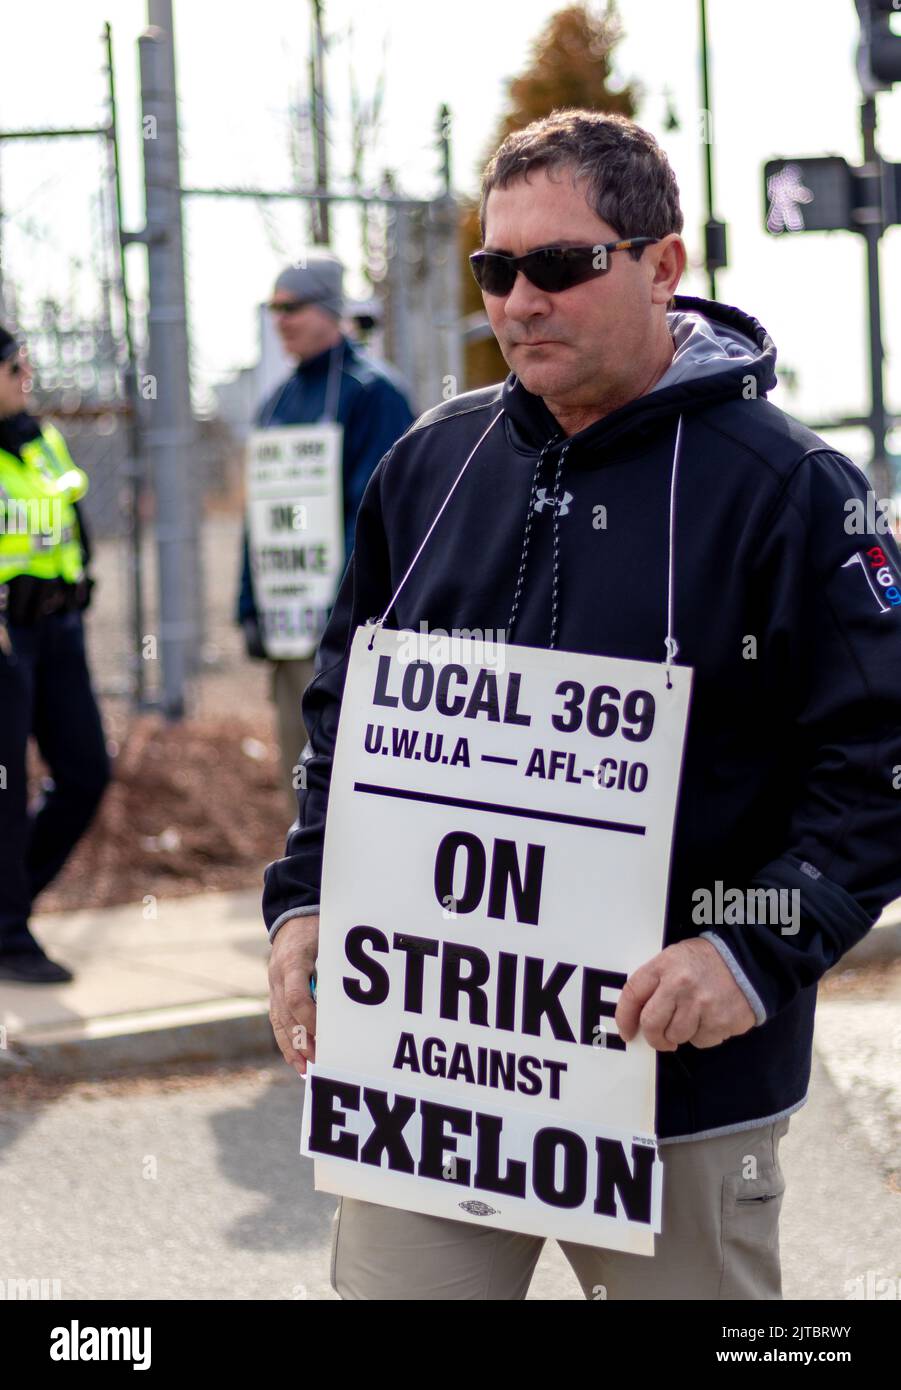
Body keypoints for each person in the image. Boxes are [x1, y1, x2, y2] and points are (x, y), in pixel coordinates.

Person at [263, 111, 901, 1299]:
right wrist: (302, 900)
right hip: (434, 1087)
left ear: (662, 265)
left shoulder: (794, 490)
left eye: (560, 264)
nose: (520, 300)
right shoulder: (424, 465)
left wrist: (748, 950)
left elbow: (877, 769)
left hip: (682, 1092)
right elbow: (344, 710)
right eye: (495, 269)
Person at [236, 251, 413, 814]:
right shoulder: (275, 404)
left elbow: (381, 510)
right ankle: (309, 892)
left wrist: (359, 608)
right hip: (293, 622)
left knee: (362, 766)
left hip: (354, 620)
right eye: (274, 309)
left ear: (329, 309)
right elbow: (262, 514)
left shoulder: (373, 393)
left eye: (293, 307)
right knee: (303, 767)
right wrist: (250, 602)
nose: (281, 320)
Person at [0, 327, 110, 984]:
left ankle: (6, 906)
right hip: (5, 630)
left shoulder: (39, 438)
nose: (26, 375)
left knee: (85, 772)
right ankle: (9, 935)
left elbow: (69, 520)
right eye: (15, 366)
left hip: (59, 628)